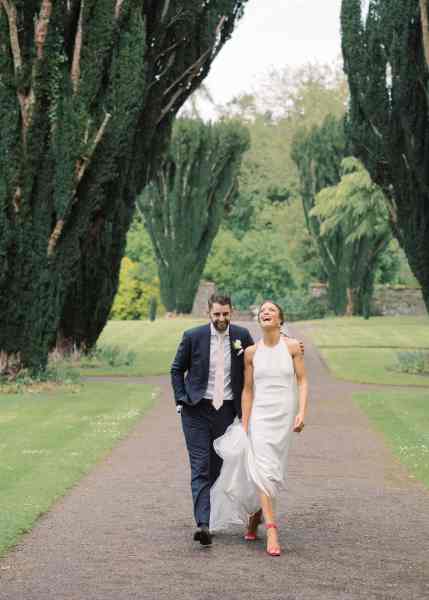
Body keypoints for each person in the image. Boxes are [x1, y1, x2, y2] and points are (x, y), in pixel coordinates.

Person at [209, 300, 308, 557]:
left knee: (274, 472)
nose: (266, 312)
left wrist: (301, 412)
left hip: (284, 416)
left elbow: (302, 380)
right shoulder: (251, 352)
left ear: (280, 319)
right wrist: (246, 421)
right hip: (260, 418)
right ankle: (272, 528)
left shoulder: (293, 347)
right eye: (262, 311)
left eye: (271, 310)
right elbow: (248, 390)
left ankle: (255, 515)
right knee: (262, 470)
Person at [170, 294, 254, 546]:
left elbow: (257, 360)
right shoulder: (192, 336)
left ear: (231, 312)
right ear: (209, 312)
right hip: (195, 411)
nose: (221, 319)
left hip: (227, 412)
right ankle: (203, 525)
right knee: (200, 466)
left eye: (225, 314)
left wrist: (290, 345)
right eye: (217, 314)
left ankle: (213, 517)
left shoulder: (242, 336)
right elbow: (176, 369)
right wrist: (181, 399)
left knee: (218, 467)